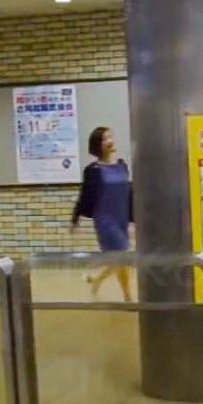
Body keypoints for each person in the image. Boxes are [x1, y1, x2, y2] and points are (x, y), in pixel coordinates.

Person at [71, 127, 133, 301]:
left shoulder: (122, 165)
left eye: (110, 137)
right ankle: (128, 297)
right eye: (105, 139)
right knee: (122, 255)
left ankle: (96, 280)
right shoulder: (93, 170)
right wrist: (75, 217)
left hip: (121, 217)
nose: (110, 141)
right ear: (98, 144)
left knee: (118, 258)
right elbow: (85, 194)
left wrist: (134, 217)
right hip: (105, 219)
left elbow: (128, 192)